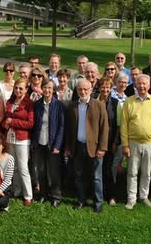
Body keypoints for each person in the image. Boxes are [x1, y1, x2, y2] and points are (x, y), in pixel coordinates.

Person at [64, 79, 109, 212]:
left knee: (96, 177)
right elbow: (68, 129)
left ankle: (98, 203)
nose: (83, 92)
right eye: (80, 89)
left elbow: (104, 128)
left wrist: (102, 148)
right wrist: (68, 147)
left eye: (85, 89)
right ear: (77, 90)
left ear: (91, 90)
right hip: (77, 146)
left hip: (94, 148)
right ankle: (81, 200)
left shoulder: (99, 105)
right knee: (78, 176)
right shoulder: (72, 106)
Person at [120, 74, 151, 210]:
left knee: (147, 173)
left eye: (144, 84)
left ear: (149, 86)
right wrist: (125, 144)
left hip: (150, 143)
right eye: (139, 84)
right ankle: (131, 198)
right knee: (132, 172)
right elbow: (124, 125)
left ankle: (144, 196)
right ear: (135, 85)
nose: (142, 86)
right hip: (133, 143)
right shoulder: (129, 102)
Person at [31, 80, 64, 207]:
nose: (47, 90)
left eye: (50, 88)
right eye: (45, 87)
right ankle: (43, 194)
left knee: (54, 172)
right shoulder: (37, 105)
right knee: (41, 170)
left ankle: (56, 196)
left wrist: (57, 145)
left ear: (53, 90)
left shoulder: (59, 105)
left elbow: (61, 127)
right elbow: (34, 125)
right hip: (39, 143)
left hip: (52, 143)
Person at [3, 78, 35, 206]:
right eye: (16, 88)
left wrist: (13, 122)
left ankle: (28, 195)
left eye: (21, 88)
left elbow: (30, 123)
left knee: (23, 168)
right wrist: (6, 123)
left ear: (26, 89)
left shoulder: (29, 103)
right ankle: (17, 191)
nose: (18, 90)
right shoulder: (10, 101)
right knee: (13, 166)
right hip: (10, 138)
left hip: (22, 139)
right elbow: (7, 118)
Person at [95, 77, 122, 205]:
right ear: (99, 88)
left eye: (108, 87)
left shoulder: (116, 103)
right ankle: (97, 193)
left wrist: (115, 141)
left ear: (111, 88)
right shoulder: (93, 101)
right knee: (96, 168)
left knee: (108, 168)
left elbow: (118, 125)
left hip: (110, 141)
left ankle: (111, 195)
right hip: (95, 140)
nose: (105, 89)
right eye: (103, 87)